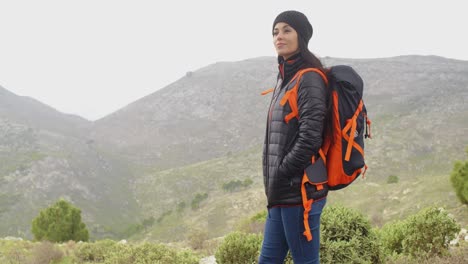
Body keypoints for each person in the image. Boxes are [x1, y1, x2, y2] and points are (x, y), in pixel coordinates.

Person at [260, 10, 329, 264]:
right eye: (275, 31)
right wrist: (278, 179)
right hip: (281, 192)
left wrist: (282, 172)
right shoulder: (283, 80)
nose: (279, 36)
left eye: (287, 30)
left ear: (302, 36)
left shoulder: (309, 78)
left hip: (300, 193)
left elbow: (311, 137)